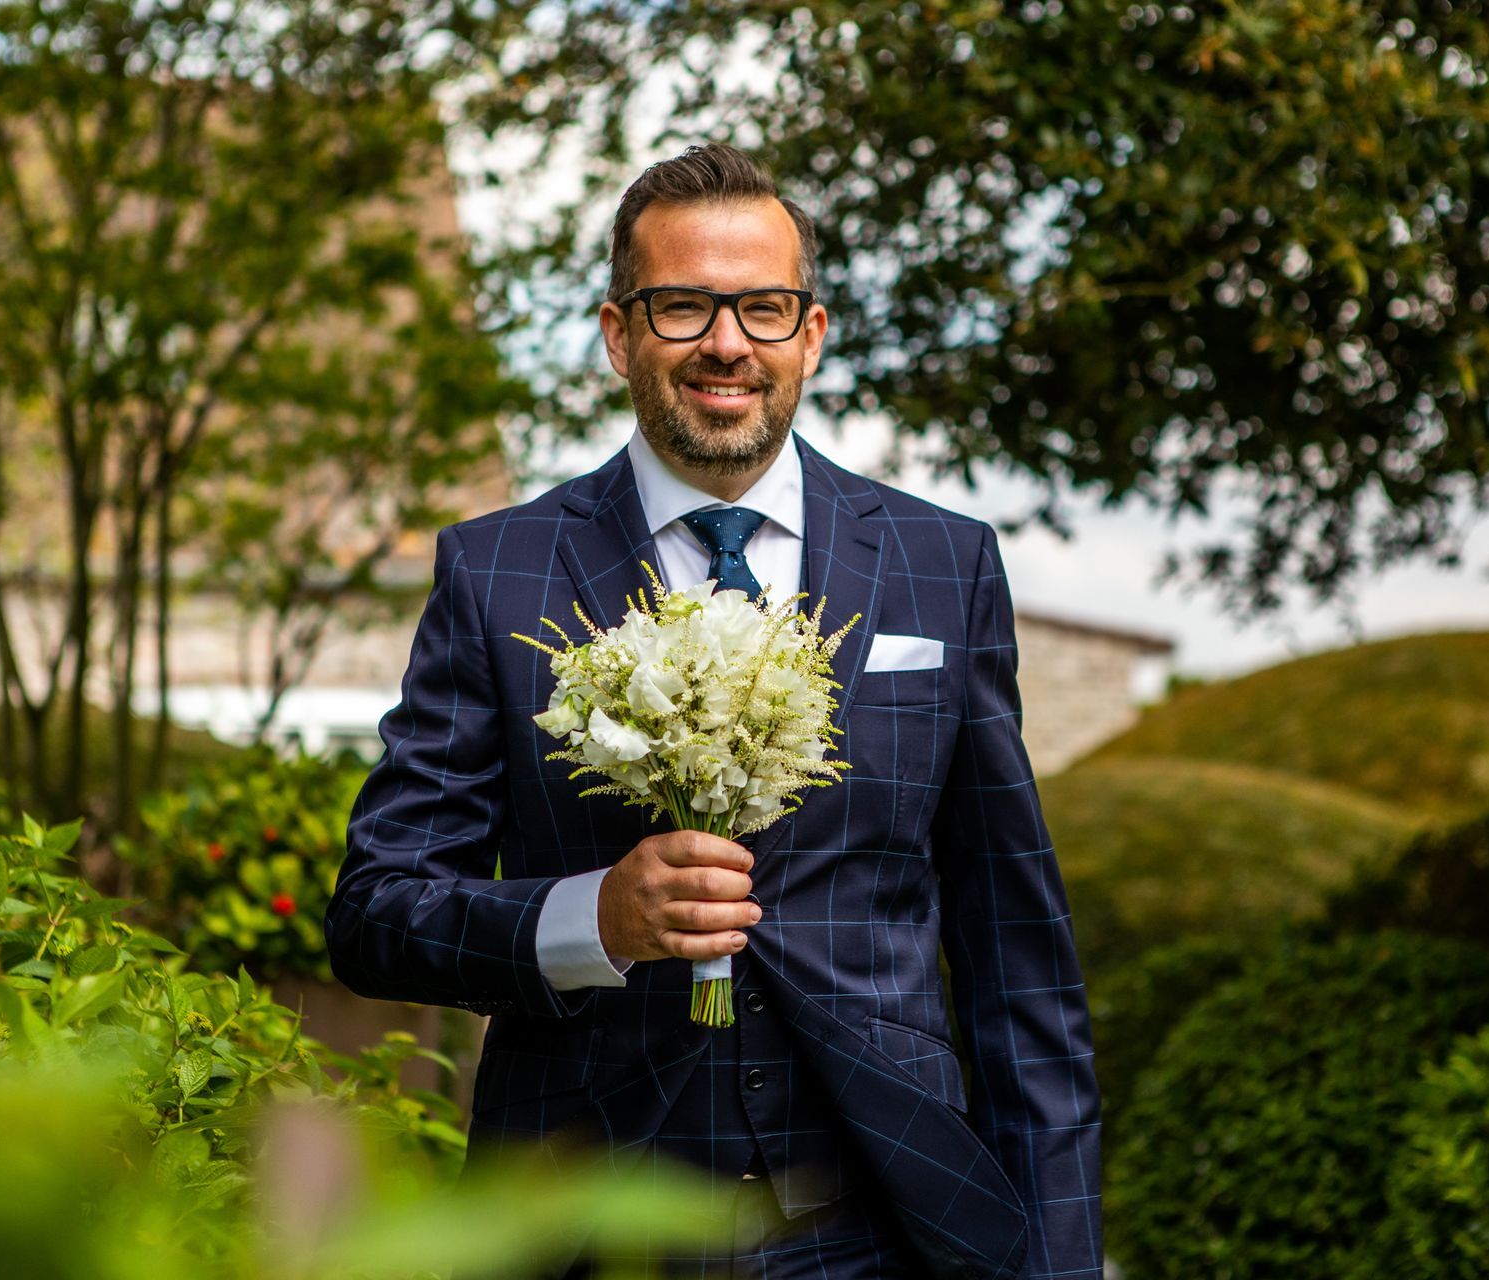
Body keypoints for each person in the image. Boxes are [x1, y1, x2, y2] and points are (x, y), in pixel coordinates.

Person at [326, 142, 1102, 1279]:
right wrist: (592, 917)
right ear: (618, 333)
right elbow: (377, 911)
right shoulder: (498, 574)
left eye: (764, 306)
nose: (727, 341)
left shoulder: (946, 565)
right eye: (683, 305)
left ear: (812, 332)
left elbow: (1017, 959)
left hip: (883, 1232)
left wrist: (1061, 1261)